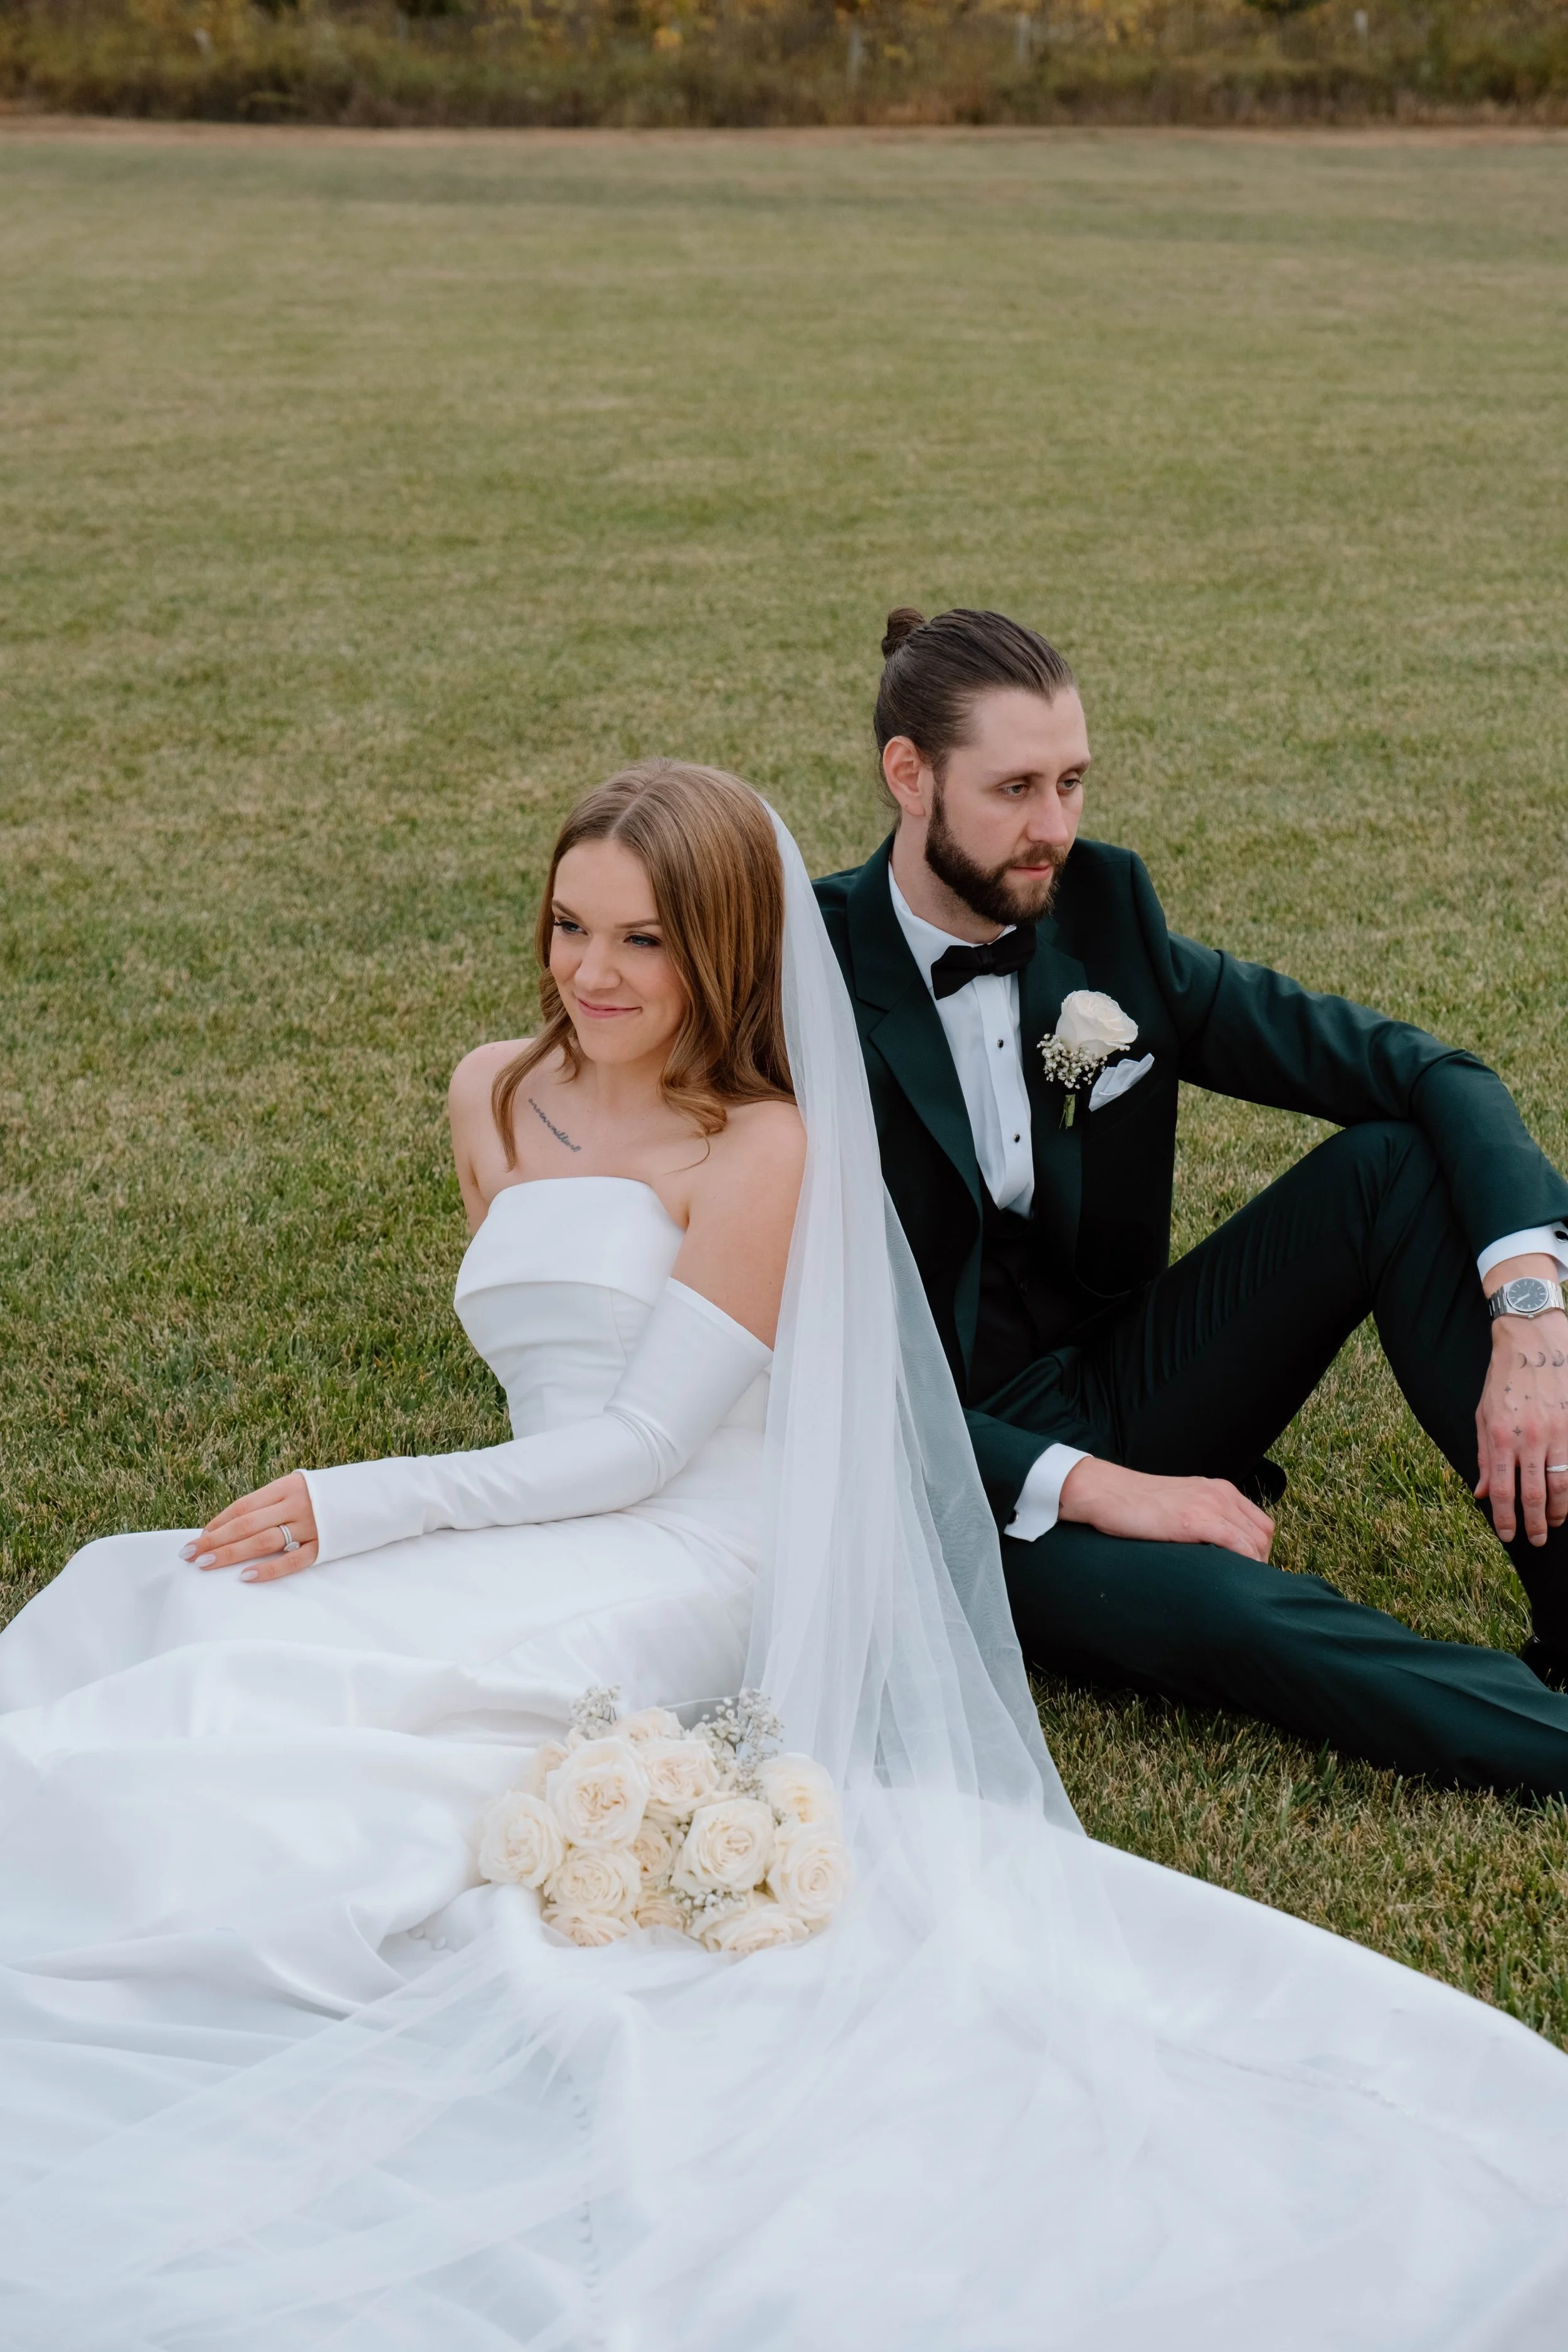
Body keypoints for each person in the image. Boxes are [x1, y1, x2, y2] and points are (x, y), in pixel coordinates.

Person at [0, 759, 1565, 2349]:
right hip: (549, 1500)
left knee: (350, 1684)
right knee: (171, 1603)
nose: (591, 975)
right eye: (569, 928)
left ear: (726, 954)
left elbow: (649, 1446)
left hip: (696, 1533)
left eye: (645, 943)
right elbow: (546, 1395)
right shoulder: (486, 1087)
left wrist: (369, 1504)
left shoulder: (757, 1143)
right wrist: (406, 1514)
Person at [815, 606, 1568, 1797]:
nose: (1053, 829)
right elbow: (825, 1373)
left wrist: (1531, 1314)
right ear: (907, 776)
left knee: (1391, 1165)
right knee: (1235, 1613)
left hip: (1125, 1373)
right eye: (1014, 788)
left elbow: (1428, 1071)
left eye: (1071, 783)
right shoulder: (800, 978)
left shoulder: (1106, 912)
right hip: (947, 1473)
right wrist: (1106, 1490)